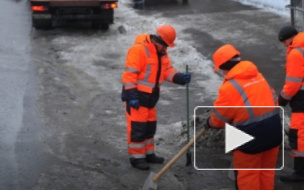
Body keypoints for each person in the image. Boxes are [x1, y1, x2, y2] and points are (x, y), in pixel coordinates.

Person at [205, 44, 282, 190]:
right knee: (266, 173)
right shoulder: (258, 76)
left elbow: (219, 119)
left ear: (224, 67)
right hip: (274, 131)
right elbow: (274, 100)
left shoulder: (229, 87)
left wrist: (210, 123)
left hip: (250, 138)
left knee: (248, 176)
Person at [121, 24, 191, 170]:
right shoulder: (138, 50)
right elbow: (129, 75)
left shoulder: (162, 53)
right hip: (137, 97)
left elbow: (167, 71)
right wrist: (132, 96)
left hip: (151, 98)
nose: (166, 49)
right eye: (164, 46)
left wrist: (179, 77)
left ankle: (148, 154)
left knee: (149, 128)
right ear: (156, 41)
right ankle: (137, 158)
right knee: (138, 129)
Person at [277, 24, 304, 182]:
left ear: (288, 40)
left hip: (302, 101)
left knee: (299, 135)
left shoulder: (296, 53)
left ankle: (300, 173)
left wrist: (282, 99)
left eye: (283, 42)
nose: (284, 46)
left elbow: (293, 83)